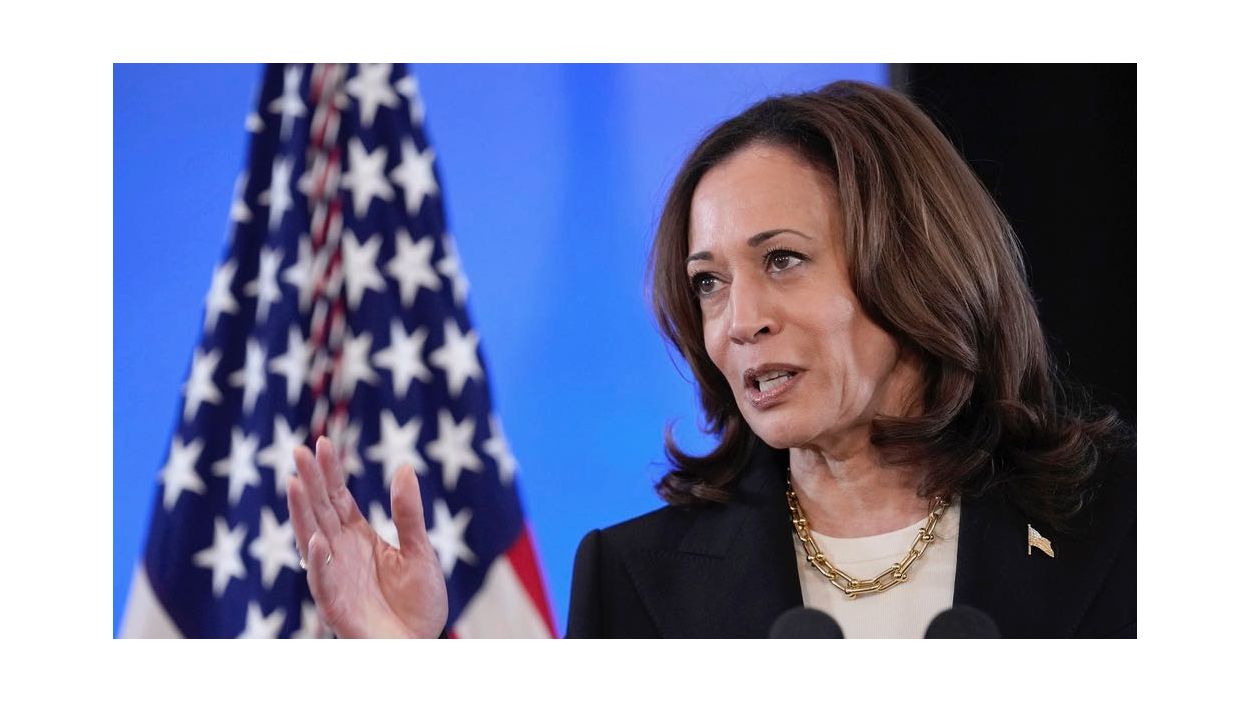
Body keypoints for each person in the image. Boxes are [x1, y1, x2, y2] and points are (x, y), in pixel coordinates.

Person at [286, 80, 1135, 639]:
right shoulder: (632, 580)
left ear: (915, 262)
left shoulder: (1129, 529)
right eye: (709, 284)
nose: (739, 321)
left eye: (783, 260)